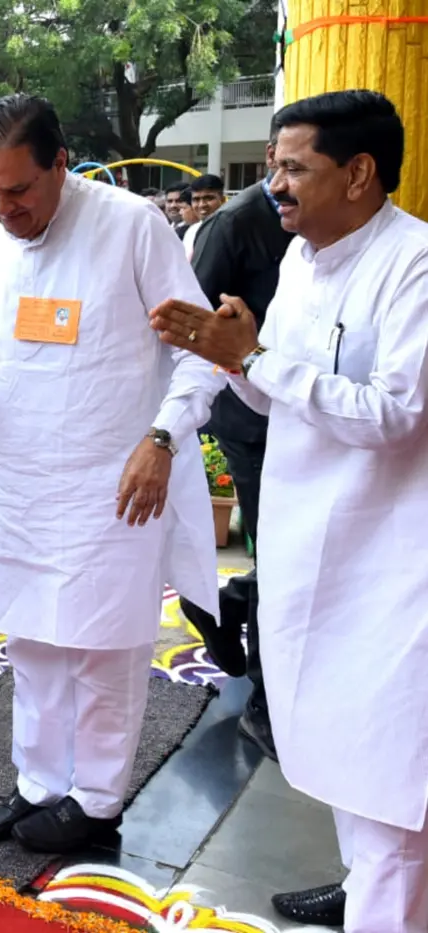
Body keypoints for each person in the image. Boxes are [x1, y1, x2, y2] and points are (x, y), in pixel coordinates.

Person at [150, 89, 428, 933]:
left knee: (390, 790)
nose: (273, 184)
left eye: (292, 167)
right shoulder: (304, 260)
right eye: (272, 166)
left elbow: (395, 413)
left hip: (390, 566)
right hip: (314, 552)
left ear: (360, 173)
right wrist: (232, 361)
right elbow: (285, 401)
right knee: (348, 767)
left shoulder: (414, 264)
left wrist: (258, 357)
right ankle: (367, 891)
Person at [0, 94, 223, 854]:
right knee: (34, 641)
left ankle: (96, 799)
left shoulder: (130, 227)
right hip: (25, 482)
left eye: (19, 190)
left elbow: (203, 350)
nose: (3, 208)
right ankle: (38, 782)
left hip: (117, 483)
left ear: (61, 164)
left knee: (105, 645)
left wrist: (163, 438)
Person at [177, 125, 294, 762]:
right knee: (283, 560)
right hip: (254, 418)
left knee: (295, 559)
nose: (285, 183)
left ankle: (230, 603)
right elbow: (190, 323)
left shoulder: (321, 239)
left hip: (307, 410)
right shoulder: (238, 224)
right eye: (282, 164)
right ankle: (266, 708)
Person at [183, 174, 226, 260]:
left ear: (222, 200)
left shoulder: (233, 230)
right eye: (196, 199)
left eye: (209, 198)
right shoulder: (192, 231)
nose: (202, 205)